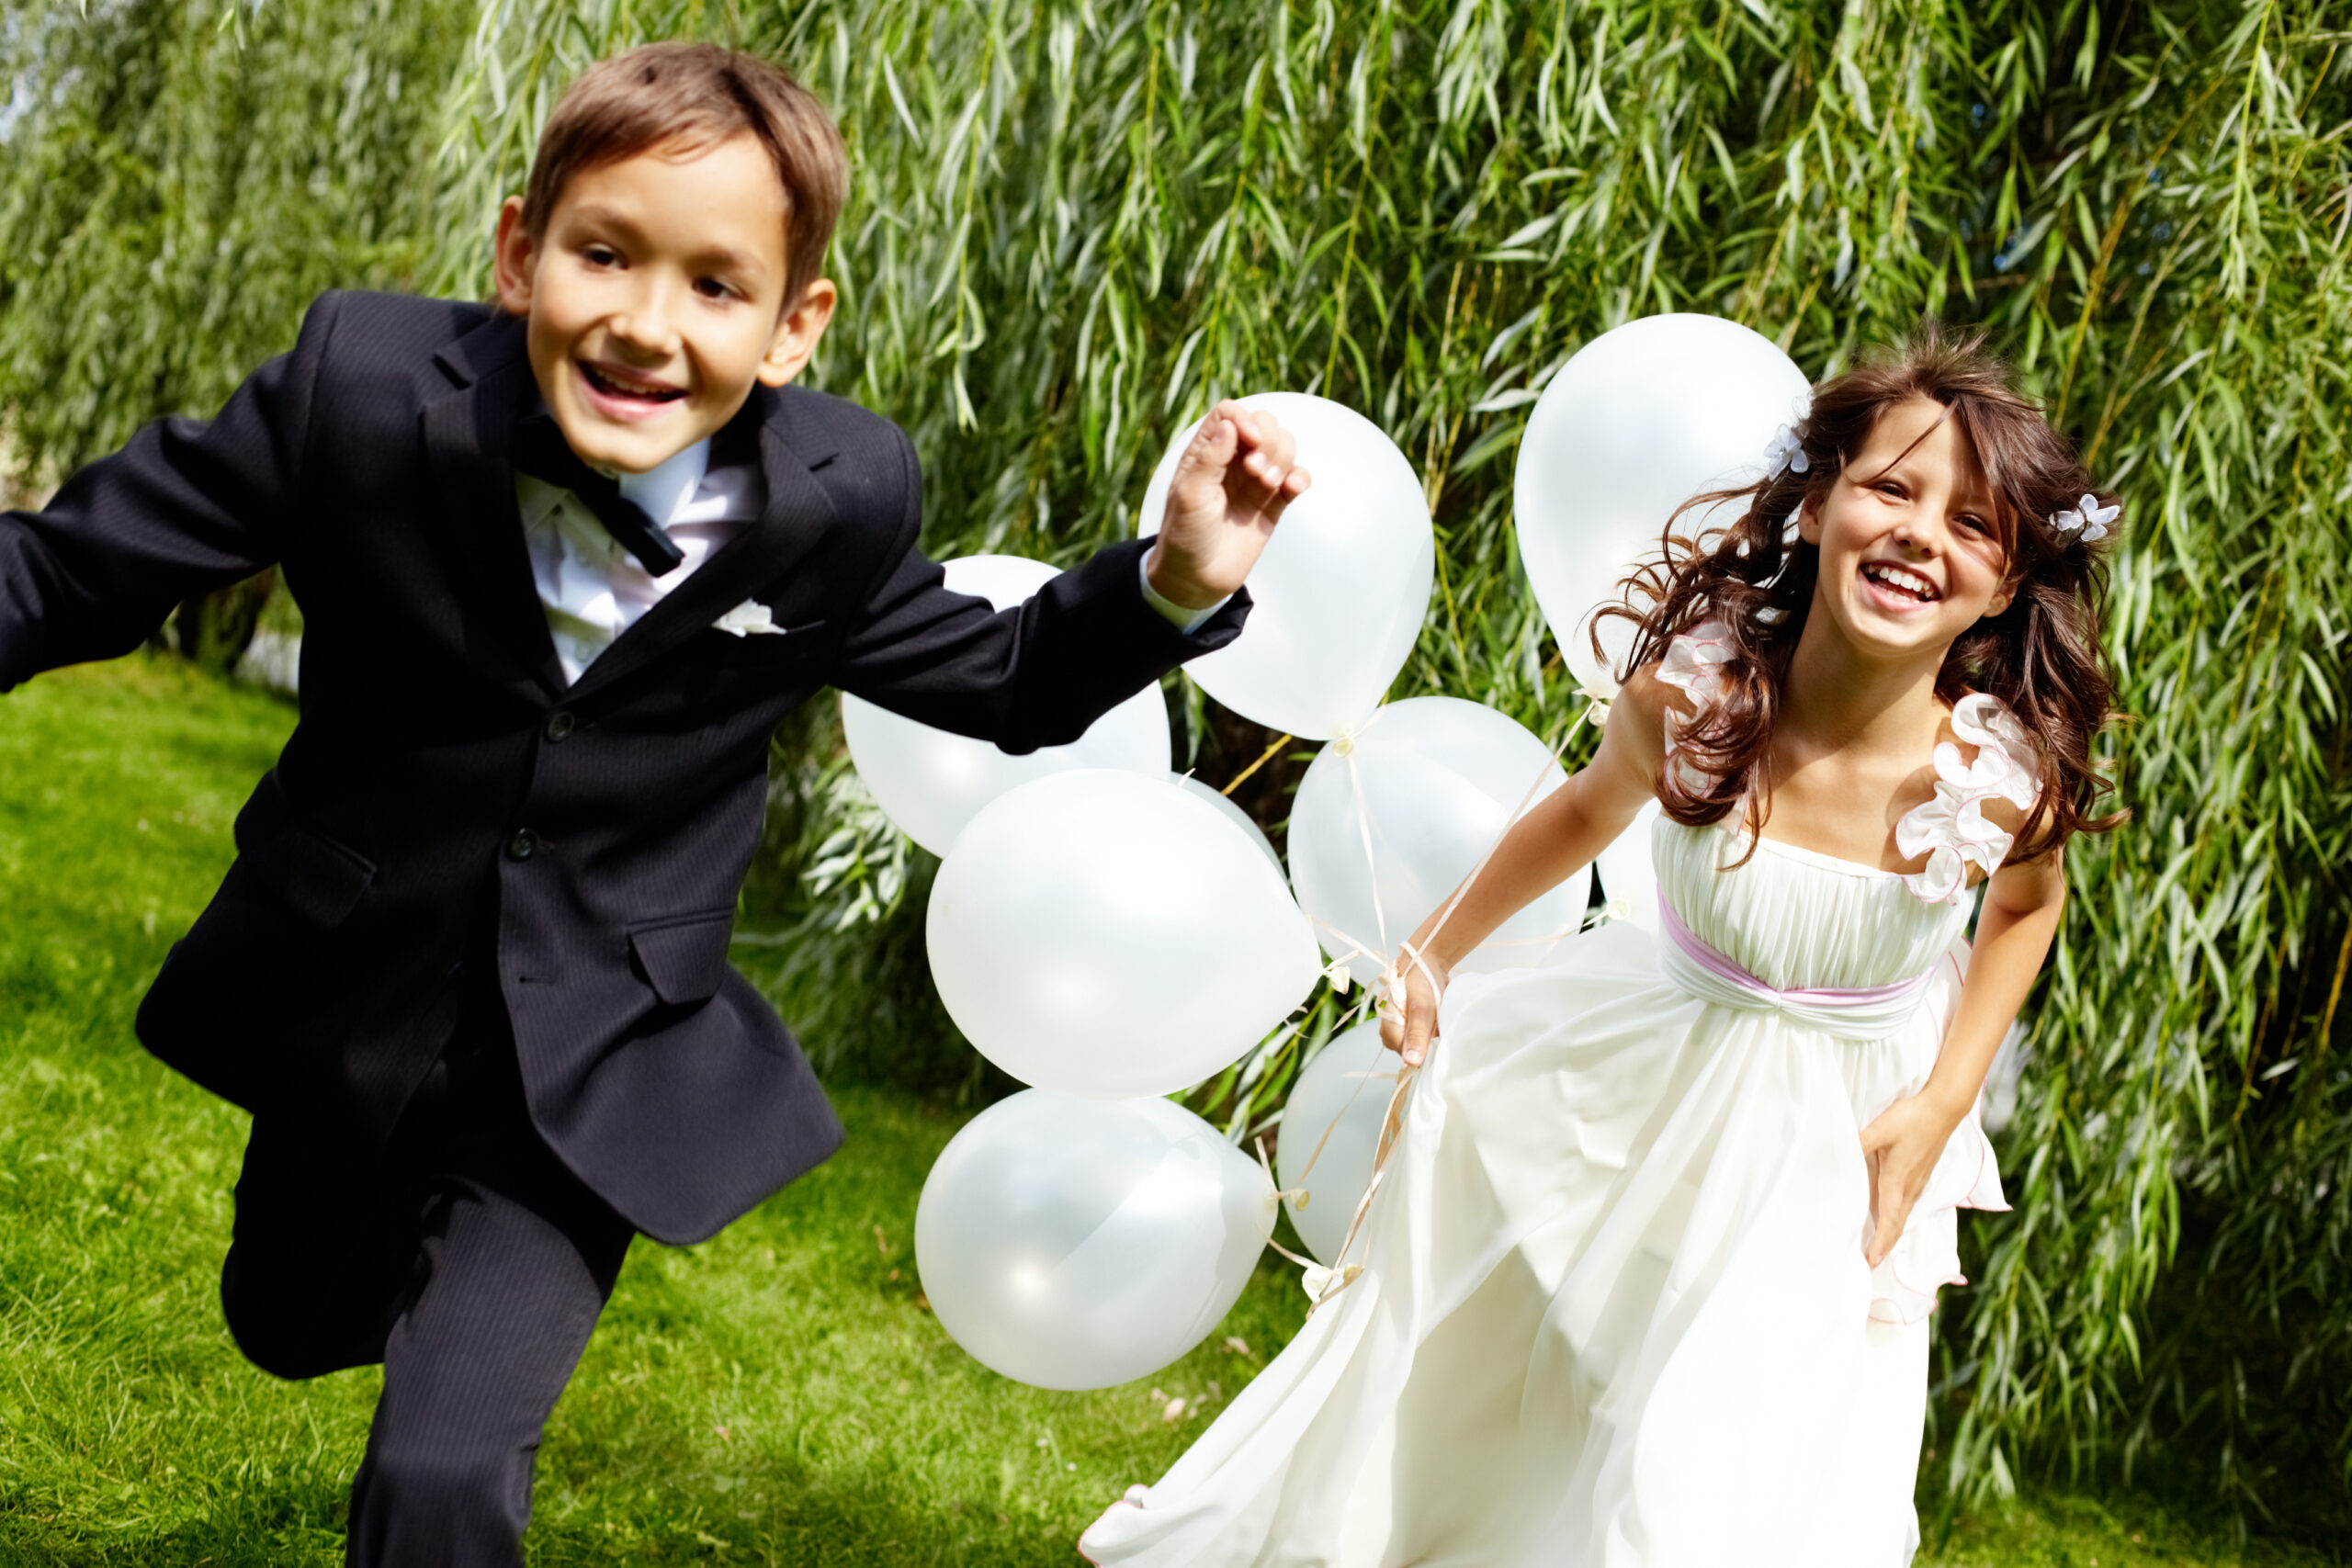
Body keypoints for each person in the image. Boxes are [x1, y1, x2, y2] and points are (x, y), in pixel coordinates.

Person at [0, 41, 1308, 1568]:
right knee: (285, 1320)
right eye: (604, 255)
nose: (643, 323)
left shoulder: (839, 497)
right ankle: (355, 1269)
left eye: (713, 285)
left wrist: (1173, 579)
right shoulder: (359, 391)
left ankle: (462, 1347)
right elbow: (70, 569)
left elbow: (1004, 680)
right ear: (519, 252)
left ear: (792, 326)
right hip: (354, 992)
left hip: (593, 1053)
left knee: (444, 1469)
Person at [1081, 326, 2125, 1567]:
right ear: (1817, 506)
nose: (1918, 533)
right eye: (1892, 488)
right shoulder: (1700, 694)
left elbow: (2024, 910)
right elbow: (1581, 814)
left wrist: (1945, 1100)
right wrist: (1433, 950)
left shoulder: (1998, 775)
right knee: (1537, 1367)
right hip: (1652, 1076)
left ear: (2004, 587)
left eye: (1971, 524)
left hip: (1833, 1140)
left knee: (1739, 1447)